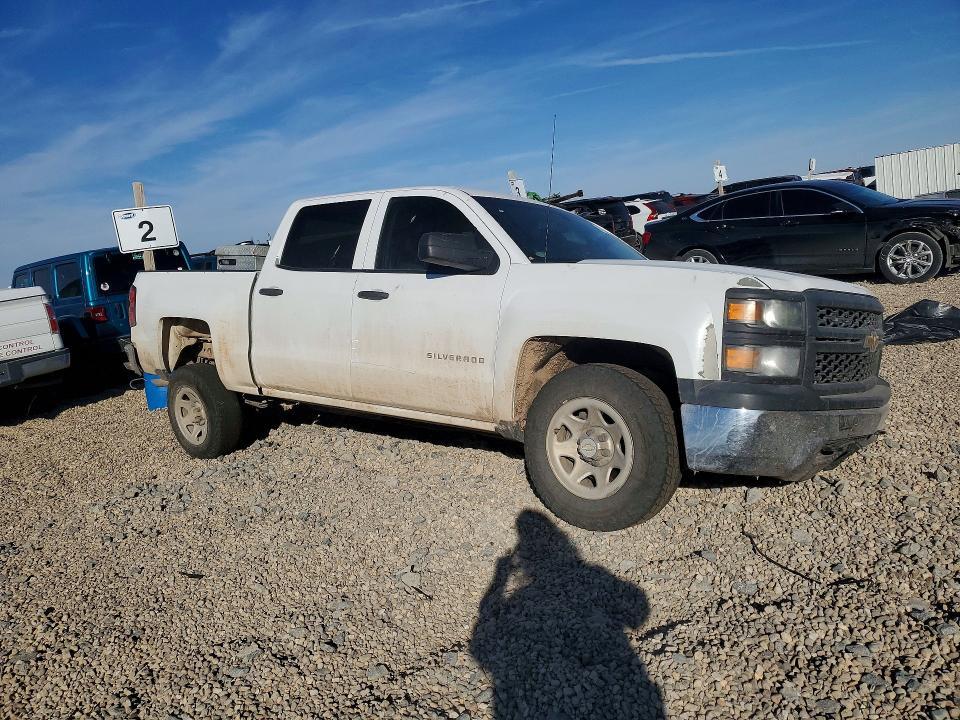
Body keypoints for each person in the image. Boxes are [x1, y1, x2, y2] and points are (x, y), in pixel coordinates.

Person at [470, 510, 664, 719]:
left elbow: (480, 648)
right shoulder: (592, 574)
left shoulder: (527, 594)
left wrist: (500, 579)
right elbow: (639, 613)